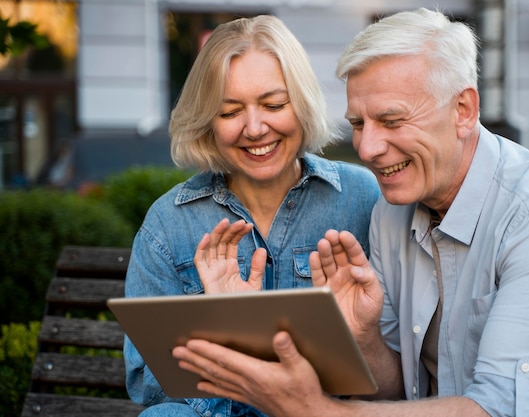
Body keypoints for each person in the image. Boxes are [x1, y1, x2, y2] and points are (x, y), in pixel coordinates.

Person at [172, 8, 529, 417]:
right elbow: (395, 393)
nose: (367, 148)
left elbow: (497, 410)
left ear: (463, 110)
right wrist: (363, 337)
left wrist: (315, 410)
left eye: (391, 121)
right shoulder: (392, 210)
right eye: (357, 124)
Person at [124, 14, 380, 417]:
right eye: (229, 113)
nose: (255, 128)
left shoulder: (362, 198)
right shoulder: (169, 224)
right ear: (207, 123)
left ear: (301, 103)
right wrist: (225, 331)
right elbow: (147, 382)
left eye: (274, 104)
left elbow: (398, 364)